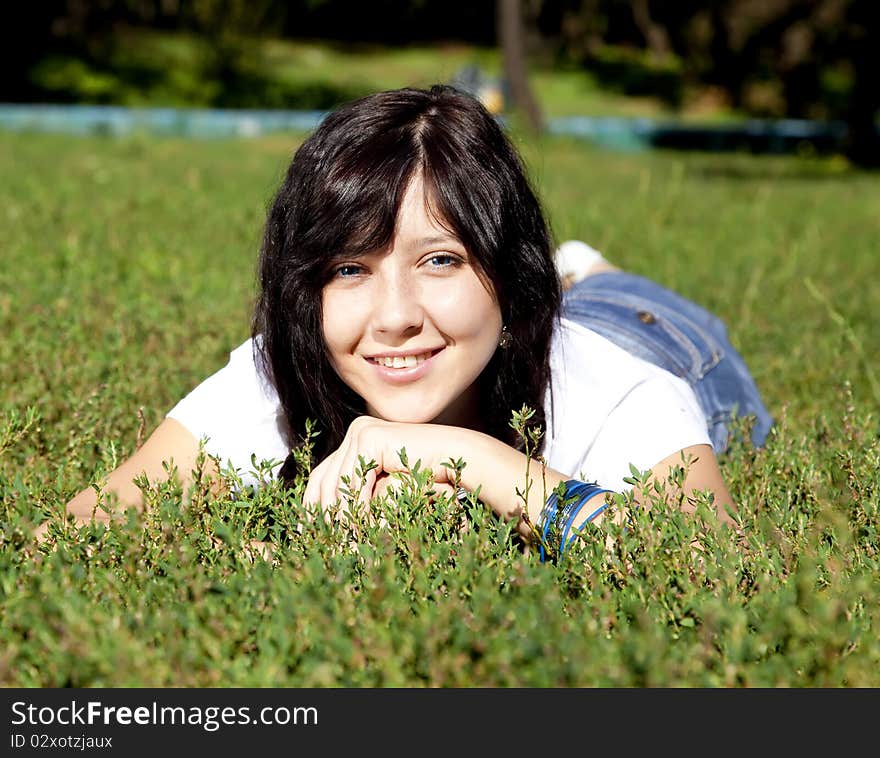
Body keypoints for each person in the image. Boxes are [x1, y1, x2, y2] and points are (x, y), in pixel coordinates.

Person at [53, 84, 772, 556]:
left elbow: (717, 569)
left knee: (615, 300)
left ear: (507, 274)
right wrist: (262, 552)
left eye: (440, 261)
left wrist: (464, 457)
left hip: (654, 336)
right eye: (349, 269)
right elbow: (76, 535)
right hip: (510, 325)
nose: (393, 319)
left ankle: (586, 270)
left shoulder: (625, 392)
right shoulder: (281, 373)